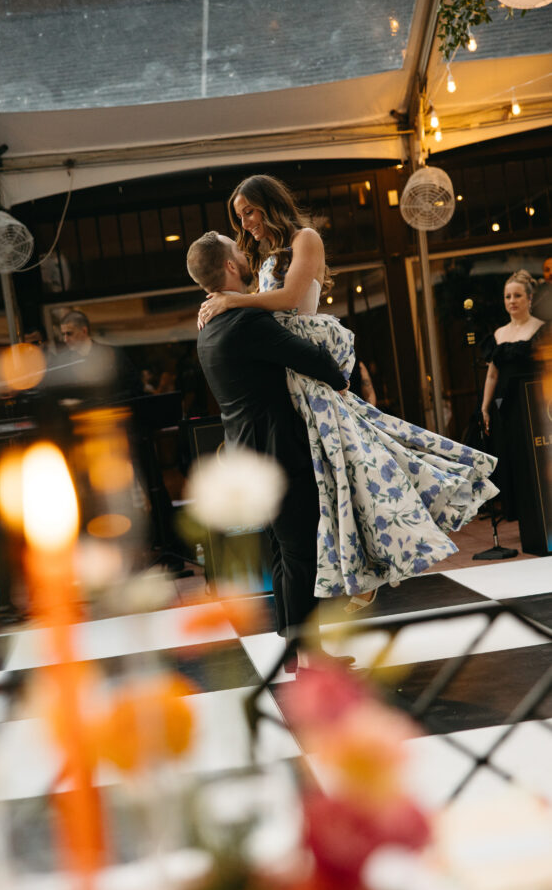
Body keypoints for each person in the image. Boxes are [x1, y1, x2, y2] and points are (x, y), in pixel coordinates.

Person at [198, 174, 499, 610]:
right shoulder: (266, 254)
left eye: (249, 211)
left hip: (308, 370)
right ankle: (353, 579)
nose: (245, 223)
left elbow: (290, 298)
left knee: (358, 470)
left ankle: (367, 570)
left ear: (269, 203)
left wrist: (232, 300)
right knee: (332, 482)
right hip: (289, 375)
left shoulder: (306, 239)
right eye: (239, 216)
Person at [187, 230, 348, 659]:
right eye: (236, 249)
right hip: (277, 452)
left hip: (246, 452)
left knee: (282, 551)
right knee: (299, 552)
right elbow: (309, 357)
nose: (244, 250)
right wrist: (341, 380)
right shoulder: (246, 321)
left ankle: (297, 652)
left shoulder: (208, 327)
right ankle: (311, 658)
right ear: (229, 267)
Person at [481, 269, 548, 521]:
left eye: (517, 295)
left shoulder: (541, 329)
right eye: (507, 296)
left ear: (529, 299)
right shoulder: (498, 334)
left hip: (534, 405)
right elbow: (492, 375)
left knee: (535, 458)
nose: (512, 301)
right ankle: (521, 514)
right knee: (511, 455)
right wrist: (485, 408)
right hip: (505, 404)